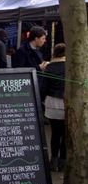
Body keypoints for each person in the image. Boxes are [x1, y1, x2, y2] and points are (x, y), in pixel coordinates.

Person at [41, 43, 66, 172]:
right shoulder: (71, 66)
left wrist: (41, 100)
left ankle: (53, 160)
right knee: (66, 134)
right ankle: (63, 161)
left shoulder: (49, 67)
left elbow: (44, 87)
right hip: (67, 104)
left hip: (52, 103)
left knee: (55, 133)